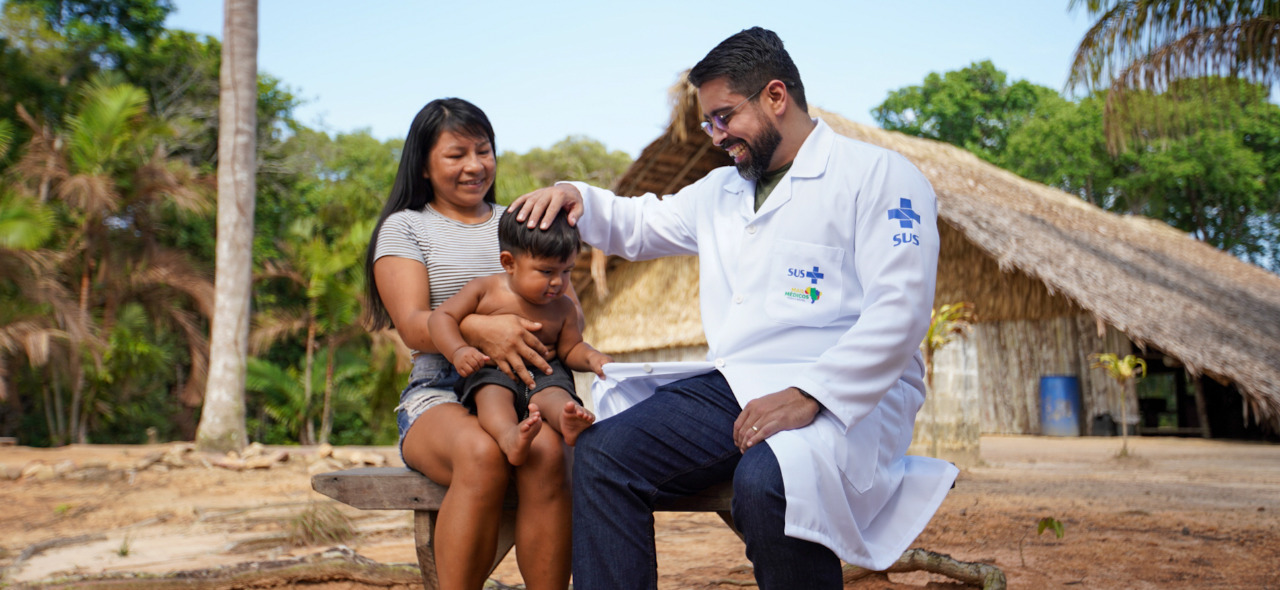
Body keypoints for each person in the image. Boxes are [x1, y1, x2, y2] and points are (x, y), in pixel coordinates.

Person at [511, 27, 959, 590]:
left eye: (724, 117)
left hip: (848, 394)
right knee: (604, 455)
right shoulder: (720, 191)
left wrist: (810, 394)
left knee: (768, 482)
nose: (716, 136)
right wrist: (580, 197)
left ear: (775, 96)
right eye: (708, 123)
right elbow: (641, 223)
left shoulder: (880, 177)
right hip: (738, 384)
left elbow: (901, 310)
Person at [363, 97, 573, 590]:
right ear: (424, 165)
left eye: (484, 151)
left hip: (527, 384)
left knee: (547, 453)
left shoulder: (522, 221)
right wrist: (479, 329)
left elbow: (562, 299)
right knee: (481, 452)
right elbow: (412, 324)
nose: (475, 166)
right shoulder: (406, 227)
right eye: (456, 154)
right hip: (440, 389)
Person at [429, 208, 609, 466]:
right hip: (494, 369)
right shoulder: (485, 290)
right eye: (546, 271)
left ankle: (566, 420)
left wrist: (592, 358)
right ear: (509, 263)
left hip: (545, 371)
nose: (558, 282)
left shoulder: (564, 307)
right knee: (492, 396)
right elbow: (441, 317)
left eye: (566, 271)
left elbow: (571, 349)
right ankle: (508, 436)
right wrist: (458, 350)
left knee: (557, 395)